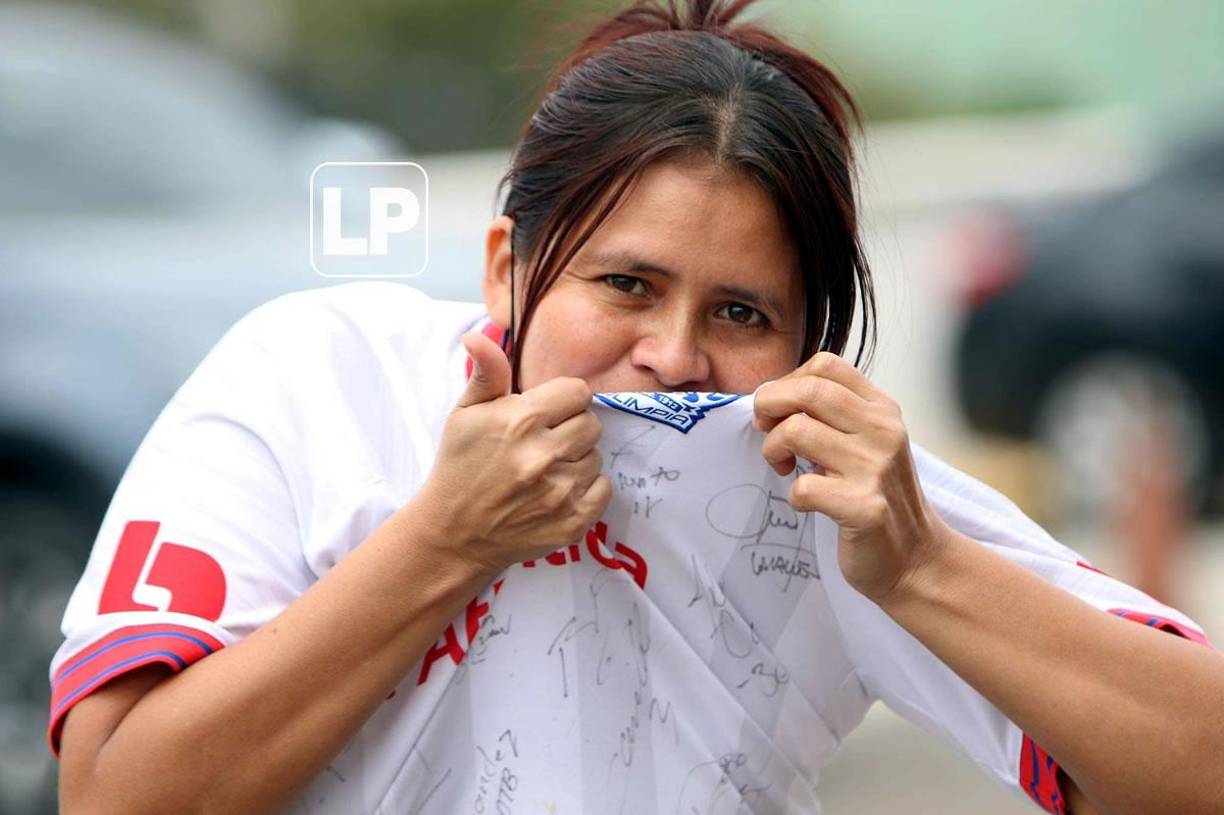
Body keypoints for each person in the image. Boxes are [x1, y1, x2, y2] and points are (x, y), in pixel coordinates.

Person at [49, 1, 1224, 813]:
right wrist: (442, 542)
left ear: (806, 345)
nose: (671, 356)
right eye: (625, 285)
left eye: (741, 314)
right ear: (509, 267)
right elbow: (115, 791)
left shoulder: (834, 496)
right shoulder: (317, 380)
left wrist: (922, 568)